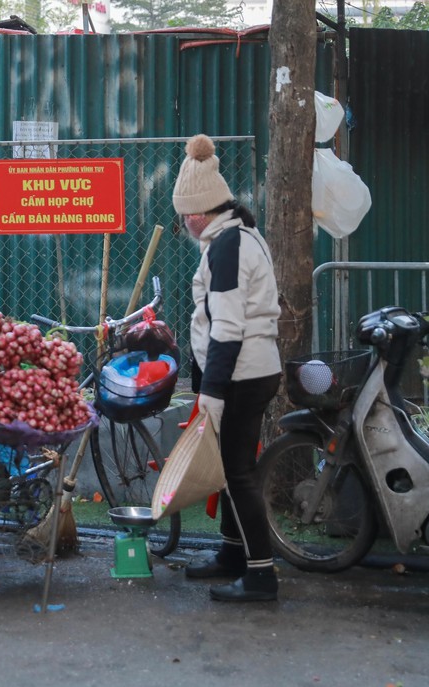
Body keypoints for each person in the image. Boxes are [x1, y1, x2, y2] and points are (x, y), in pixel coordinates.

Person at [172, 133, 282, 602]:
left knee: (237, 473)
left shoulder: (227, 246)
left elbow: (228, 327)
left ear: (197, 213)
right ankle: (234, 554)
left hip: (241, 375)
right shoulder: (239, 235)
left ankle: (260, 576)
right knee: (233, 468)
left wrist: (212, 392)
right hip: (251, 370)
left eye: (184, 216)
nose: (184, 224)